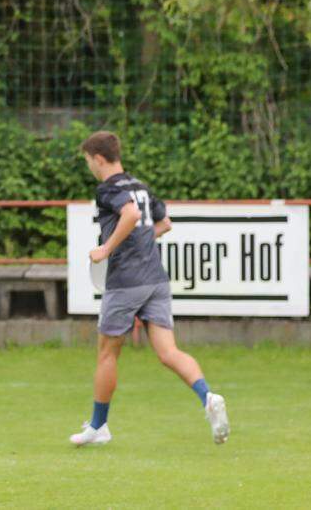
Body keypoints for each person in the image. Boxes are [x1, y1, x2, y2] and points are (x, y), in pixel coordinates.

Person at [70, 131, 230, 446]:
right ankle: (208, 396)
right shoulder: (140, 186)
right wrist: (137, 242)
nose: (89, 166)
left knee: (107, 354)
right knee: (169, 352)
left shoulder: (108, 189)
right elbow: (164, 223)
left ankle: (99, 427)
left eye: (89, 161)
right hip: (155, 279)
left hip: (125, 282)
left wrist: (107, 249)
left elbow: (130, 214)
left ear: (98, 159)